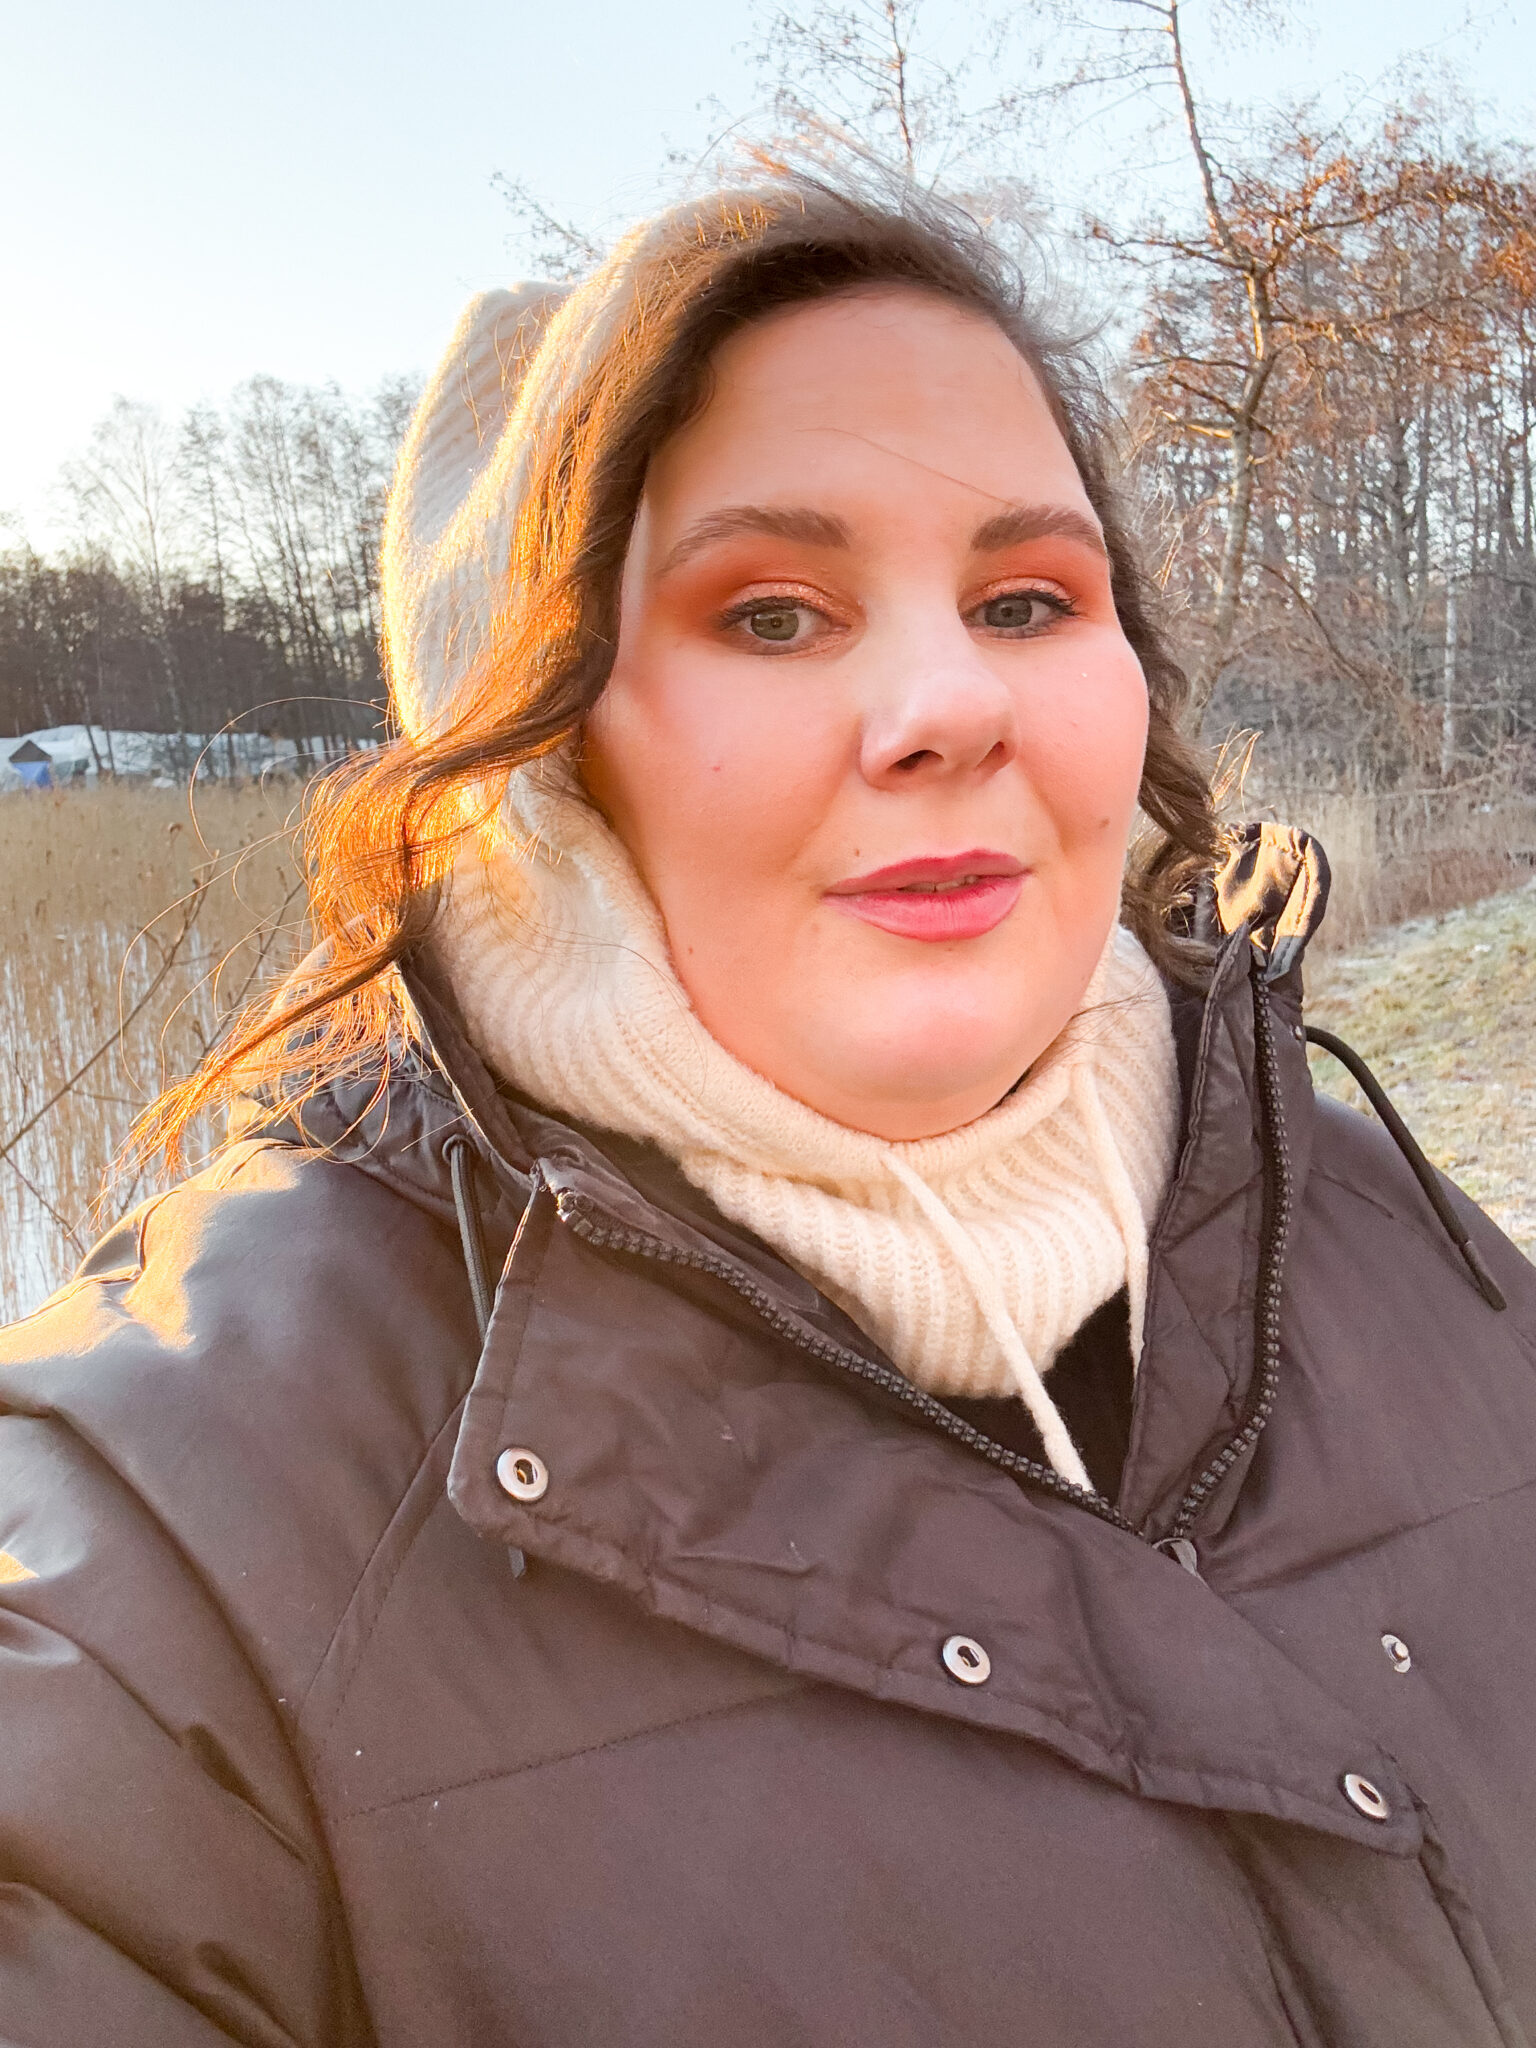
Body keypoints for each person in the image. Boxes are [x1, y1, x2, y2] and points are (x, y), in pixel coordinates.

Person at [1, 173, 1532, 2048]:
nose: (950, 704)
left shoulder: (1401, 1240)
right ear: (537, 750)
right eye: (777, 614)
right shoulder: (176, 1524)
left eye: (1027, 600)